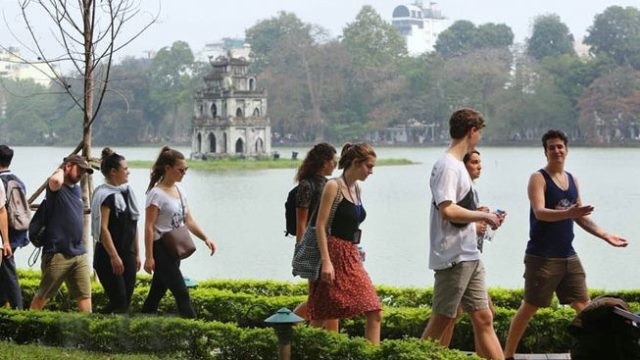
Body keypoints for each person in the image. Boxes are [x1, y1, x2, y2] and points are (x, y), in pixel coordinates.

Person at [503, 129, 628, 360]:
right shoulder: (538, 178)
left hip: (568, 255)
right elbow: (540, 212)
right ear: (545, 152)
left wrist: (605, 235)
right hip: (542, 256)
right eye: (552, 147)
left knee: (586, 308)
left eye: (560, 146)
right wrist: (569, 212)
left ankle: (598, 354)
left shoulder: (572, 179)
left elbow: (579, 216)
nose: (556, 151)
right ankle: (507, 355)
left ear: (566, 150)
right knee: (530, 306)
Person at [421, 108, 504, 360]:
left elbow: (457, 207)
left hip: (469, 254)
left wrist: (480, 212)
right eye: (479, 133)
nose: (479, 138)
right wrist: (483, 216)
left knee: (484, 317)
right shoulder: (448, 166)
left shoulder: (457, 166)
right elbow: (447, 210)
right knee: (442, 319)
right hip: (454, 256)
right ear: (472, 131)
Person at [307, 143, 382, 345]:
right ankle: (299, 351)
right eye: (369, 166)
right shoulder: (333, 186)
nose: (371, 171)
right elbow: (321, 226)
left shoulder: (356, 189)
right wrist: (326, 261)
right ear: (356, 163)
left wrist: (357, 248)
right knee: (322, 313)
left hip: (350, 253)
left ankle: (372, 356)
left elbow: (351, 224)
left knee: (373, 308)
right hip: (332, 253)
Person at [141, 146, 216, 318]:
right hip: (160, 248)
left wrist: (206, 238)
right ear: (168, 168)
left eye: (186, 170)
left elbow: (188, 220)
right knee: (182, 293)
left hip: (174, 248)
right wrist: (149, 256)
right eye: (180, 170)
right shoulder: (156, 194)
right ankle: (195, 334)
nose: (183, 173)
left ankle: (138, 327)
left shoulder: (180, 190)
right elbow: (149, 226)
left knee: (156, 294)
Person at [439, 149, 501, 347]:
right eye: (474, 162)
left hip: (471, 256)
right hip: (459, 258)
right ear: (463, 166)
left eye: (479, 162)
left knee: (481, 315)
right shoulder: (456, 190)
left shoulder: (471, 191)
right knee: (450, 316)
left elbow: (475, 229)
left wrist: (487, 220)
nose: (479, 166)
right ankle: (436, 354)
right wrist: (479, 219)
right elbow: (452, 221)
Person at [30, 154, 94, 312]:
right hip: (57, 252)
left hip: (78, 253)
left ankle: (89, 332)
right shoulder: (55, 189)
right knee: (43, 296)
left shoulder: (77, 190)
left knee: (85, 295)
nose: (81, 174)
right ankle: (26, 327)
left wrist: (72, 168)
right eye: (79, 169)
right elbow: (55, 181)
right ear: (68, 166)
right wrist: (62, 168)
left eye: (84, 171)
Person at [291, 142, 338, 330]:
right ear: (323, 162)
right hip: (312, 247)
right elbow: (301, 221)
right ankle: (286, 326)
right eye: (332, 161)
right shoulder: (307, 185)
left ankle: (330, 342)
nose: (334, 165)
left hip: (329, 245)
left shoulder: (330, 184)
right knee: (317, 298)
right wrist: (300, 249)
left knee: (329, 297)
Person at [90, 147, 140, 313]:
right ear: (113, 172)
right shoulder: (105, 195)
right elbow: (103, 228)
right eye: (125, 169)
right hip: (108, 255)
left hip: (128, 253)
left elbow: (134, 224)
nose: (128, 172)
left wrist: (137, 253)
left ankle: (116, 336)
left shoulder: (127, 193)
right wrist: (114, 256)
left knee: (125, 303)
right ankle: (93, 327)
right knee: (118, 301)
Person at [0, 145, 22, 309]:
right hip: (17, 232)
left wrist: (5, 240)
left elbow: (2, 212)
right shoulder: (17, 180)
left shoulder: (2, 181)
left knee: (9, 273)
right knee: (6, 272)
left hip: (5, 235)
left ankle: (18, 309)